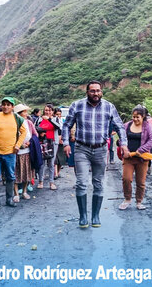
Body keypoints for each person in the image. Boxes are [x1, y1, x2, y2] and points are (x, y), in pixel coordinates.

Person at [62, 81, 128, 228]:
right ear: (87, 92)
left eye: (98, 91)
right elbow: (66, 125)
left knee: (98, 183)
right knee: (81, 183)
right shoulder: (77, 105)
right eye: (92, 91)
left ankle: (96, 216)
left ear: (101, 92)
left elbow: (120, 127)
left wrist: (123, 143)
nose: (95, 93)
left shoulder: (109, 106)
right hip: (82, 149)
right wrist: (66, 143)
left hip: (101, 149)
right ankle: (83, 216)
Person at [0, 96, 27, 211]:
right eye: (4, 104)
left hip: (10, 152)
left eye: (8, 105)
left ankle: (9, 199)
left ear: (12, 107)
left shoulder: (17, 118)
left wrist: (18, 145)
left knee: (10, 176)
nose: (5, 106)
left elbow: (24, 132)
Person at [119, 105, 152, 211]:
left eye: (137, 117)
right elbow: (122, 137)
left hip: (142, 158)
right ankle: (127, 199)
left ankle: (139, 201)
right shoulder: (127, 125)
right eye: (133, 116)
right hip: (128, 157)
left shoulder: (147, 126)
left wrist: (141, 150)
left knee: (141, 181)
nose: (135, 119)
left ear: (143, 117)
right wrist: (124, 148)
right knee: (126, 179)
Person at [13, 104, 36, 202]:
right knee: (15, 173)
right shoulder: (14, 123)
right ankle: (16, 193)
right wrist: (20, 145)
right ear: (19, 114)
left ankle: (24, 191)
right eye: (24, 112)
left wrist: (30, 142)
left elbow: (35, 135)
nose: (26, 114)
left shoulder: (29, 123)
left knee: (27, 172)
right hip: (16, 152)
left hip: (27, 152)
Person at [36, 104, 61, 190]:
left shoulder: (55, 119)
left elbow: (58, 127)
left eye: (50, 110)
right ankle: (40, 181)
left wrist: (49, 119)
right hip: (42, 142)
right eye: (46, 110)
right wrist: (40, 133)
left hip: (53, 142)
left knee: (51, 163)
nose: (47, 112)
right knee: (42, 163)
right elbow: (35, 128)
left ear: (53, 111)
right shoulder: (39, 119)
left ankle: (51, 182)